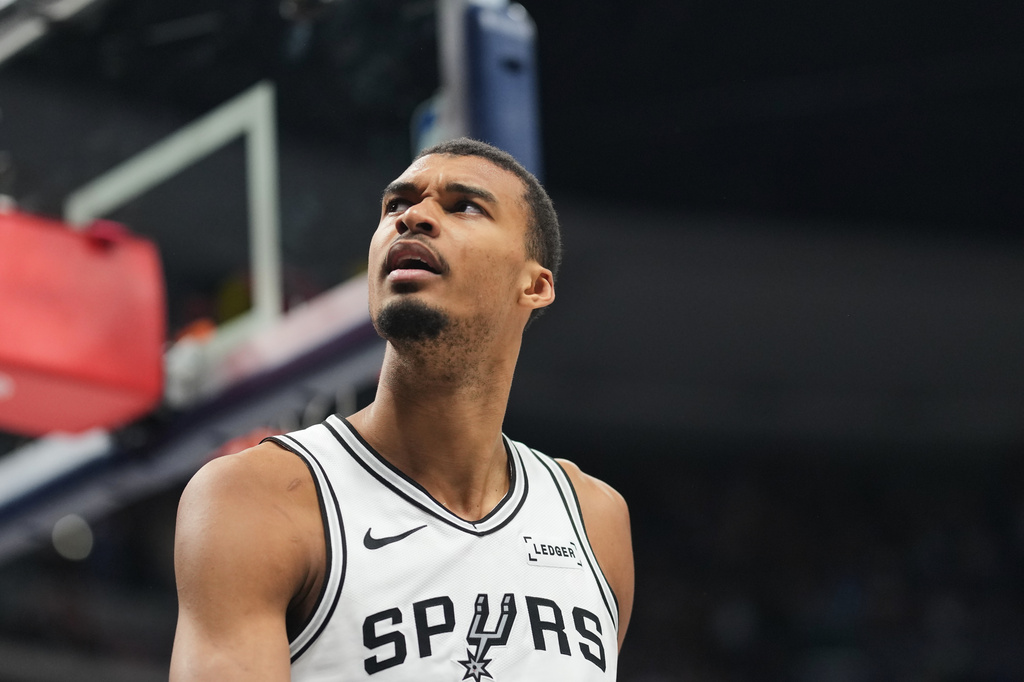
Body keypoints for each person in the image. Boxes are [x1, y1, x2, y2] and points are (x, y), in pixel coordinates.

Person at [170, 138, 634, 681]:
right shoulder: (257, 497)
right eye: (396, 205)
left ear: (534, 285)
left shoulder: (594, 519)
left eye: (464, 206)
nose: (414, 217)